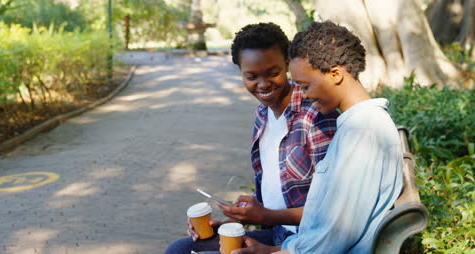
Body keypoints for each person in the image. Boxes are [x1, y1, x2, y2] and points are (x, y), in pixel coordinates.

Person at [164, 22, 338, 254]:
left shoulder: (315, 115)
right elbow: (276, 185)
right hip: (275, 229)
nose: (263, 84)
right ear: (241, 73)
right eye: (251, 76)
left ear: (287, 63)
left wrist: (264, 216)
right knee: (181, 248)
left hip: (305, 239)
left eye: (273, 73)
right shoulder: (263, 114)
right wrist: (237, 220)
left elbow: (332, 208)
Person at [236, 20, 404, 254]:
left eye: (305, 85)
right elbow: (324, 219)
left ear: (335, 74)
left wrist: (274, 252)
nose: (303, 94)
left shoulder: (364, 131)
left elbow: (337, 232)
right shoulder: (354, 125)